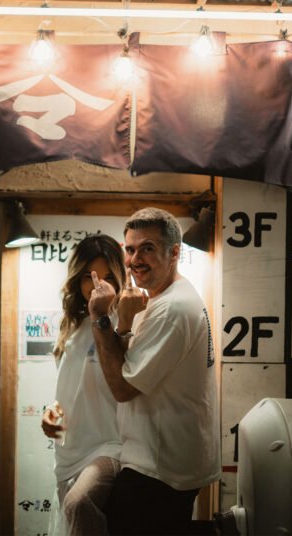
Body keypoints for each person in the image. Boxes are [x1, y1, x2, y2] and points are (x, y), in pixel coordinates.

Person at [88, 208, 220, 535]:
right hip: (164, 461)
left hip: (159, 470)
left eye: (147, 248)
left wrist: (100, 317)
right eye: (130, 249)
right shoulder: (165, 299)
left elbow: (122, 387)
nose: (135, 259)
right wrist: (124, 322)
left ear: (174, 252)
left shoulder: (171, 309)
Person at [40, 234, 124, 536]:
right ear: (78, 278)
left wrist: (104, 316)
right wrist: (53, 413)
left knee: (79, 503)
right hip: (69, 449)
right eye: (91, 277)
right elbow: (69, 389)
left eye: (107, 277)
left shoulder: (124, 320)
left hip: (111, 445)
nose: (98, 285)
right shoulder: (71, 325)